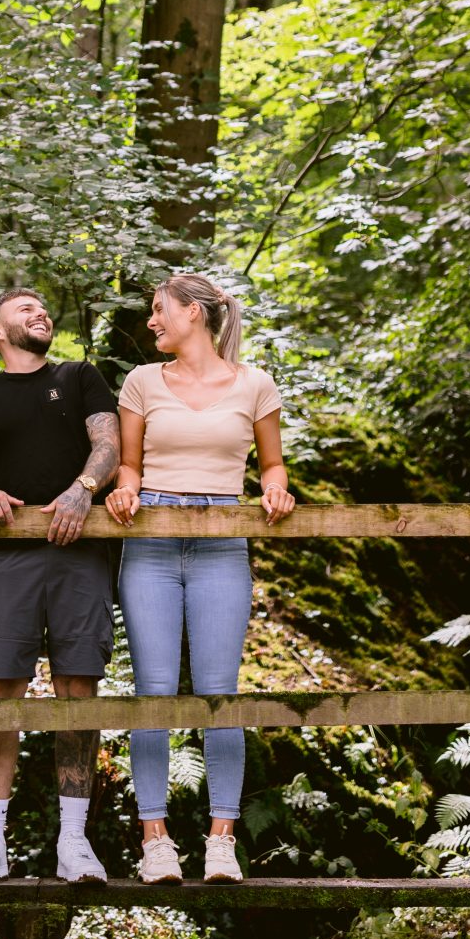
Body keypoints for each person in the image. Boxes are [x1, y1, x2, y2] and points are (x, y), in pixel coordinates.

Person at [106, 274, 293, 885]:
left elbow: (271, 462)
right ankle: (155, 840)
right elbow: (128, 462)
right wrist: (126, 487)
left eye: (159, 311)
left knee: (220, 692)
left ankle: (221, 840)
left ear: (193, 313)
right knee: (153, 691)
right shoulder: (140, 382)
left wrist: (273, 486)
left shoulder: (255, 385)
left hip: (222, 540)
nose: (152, 322)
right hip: (152, 541)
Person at [0, 288, 119, 882]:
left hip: (80, 549)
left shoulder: (79, 375)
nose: (40, 313)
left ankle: (74, 842)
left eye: (44, 308)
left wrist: (83, 489)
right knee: (0, 687)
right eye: (24, 309)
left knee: (77, 687)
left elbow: (108, 444)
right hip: (11, 553)